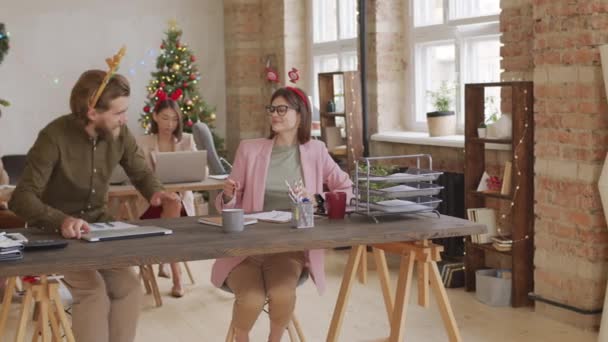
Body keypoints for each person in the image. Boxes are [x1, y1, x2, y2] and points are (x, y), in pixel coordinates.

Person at [9, 69, 181, 342]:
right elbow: (22, 197)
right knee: (93, 292)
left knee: (129, 288)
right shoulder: (53, 137)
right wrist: (61, 221)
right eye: (118, 112)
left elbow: (141, 173)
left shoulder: (120, 133)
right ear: (92, 113)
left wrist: (156, 194)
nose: (125, 119)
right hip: (53, 235)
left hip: (100, 229)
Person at [211, 86, 353, 342]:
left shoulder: (316, 151)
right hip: (247, 250)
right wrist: (229, 196)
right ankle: (241, 337)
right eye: (272, 109)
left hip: (289, 249)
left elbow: (345, 188)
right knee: (252, 299)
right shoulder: (249, 149)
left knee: (282, 294)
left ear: (300, 115)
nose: (274, 114)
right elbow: (226, 207)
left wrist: (318, 200)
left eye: (281, 109)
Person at [136, 98, 199, 298]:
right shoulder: (143, 142)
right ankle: (176, 276)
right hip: (151, 204)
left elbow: (201, 169)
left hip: (178, 205)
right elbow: (138, 174)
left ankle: (172, 268)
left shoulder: (187, 140)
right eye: (164, 118)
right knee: (171, 203)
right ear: (155, 117)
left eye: (174, 119)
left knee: (173, 202)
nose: (169, 124)